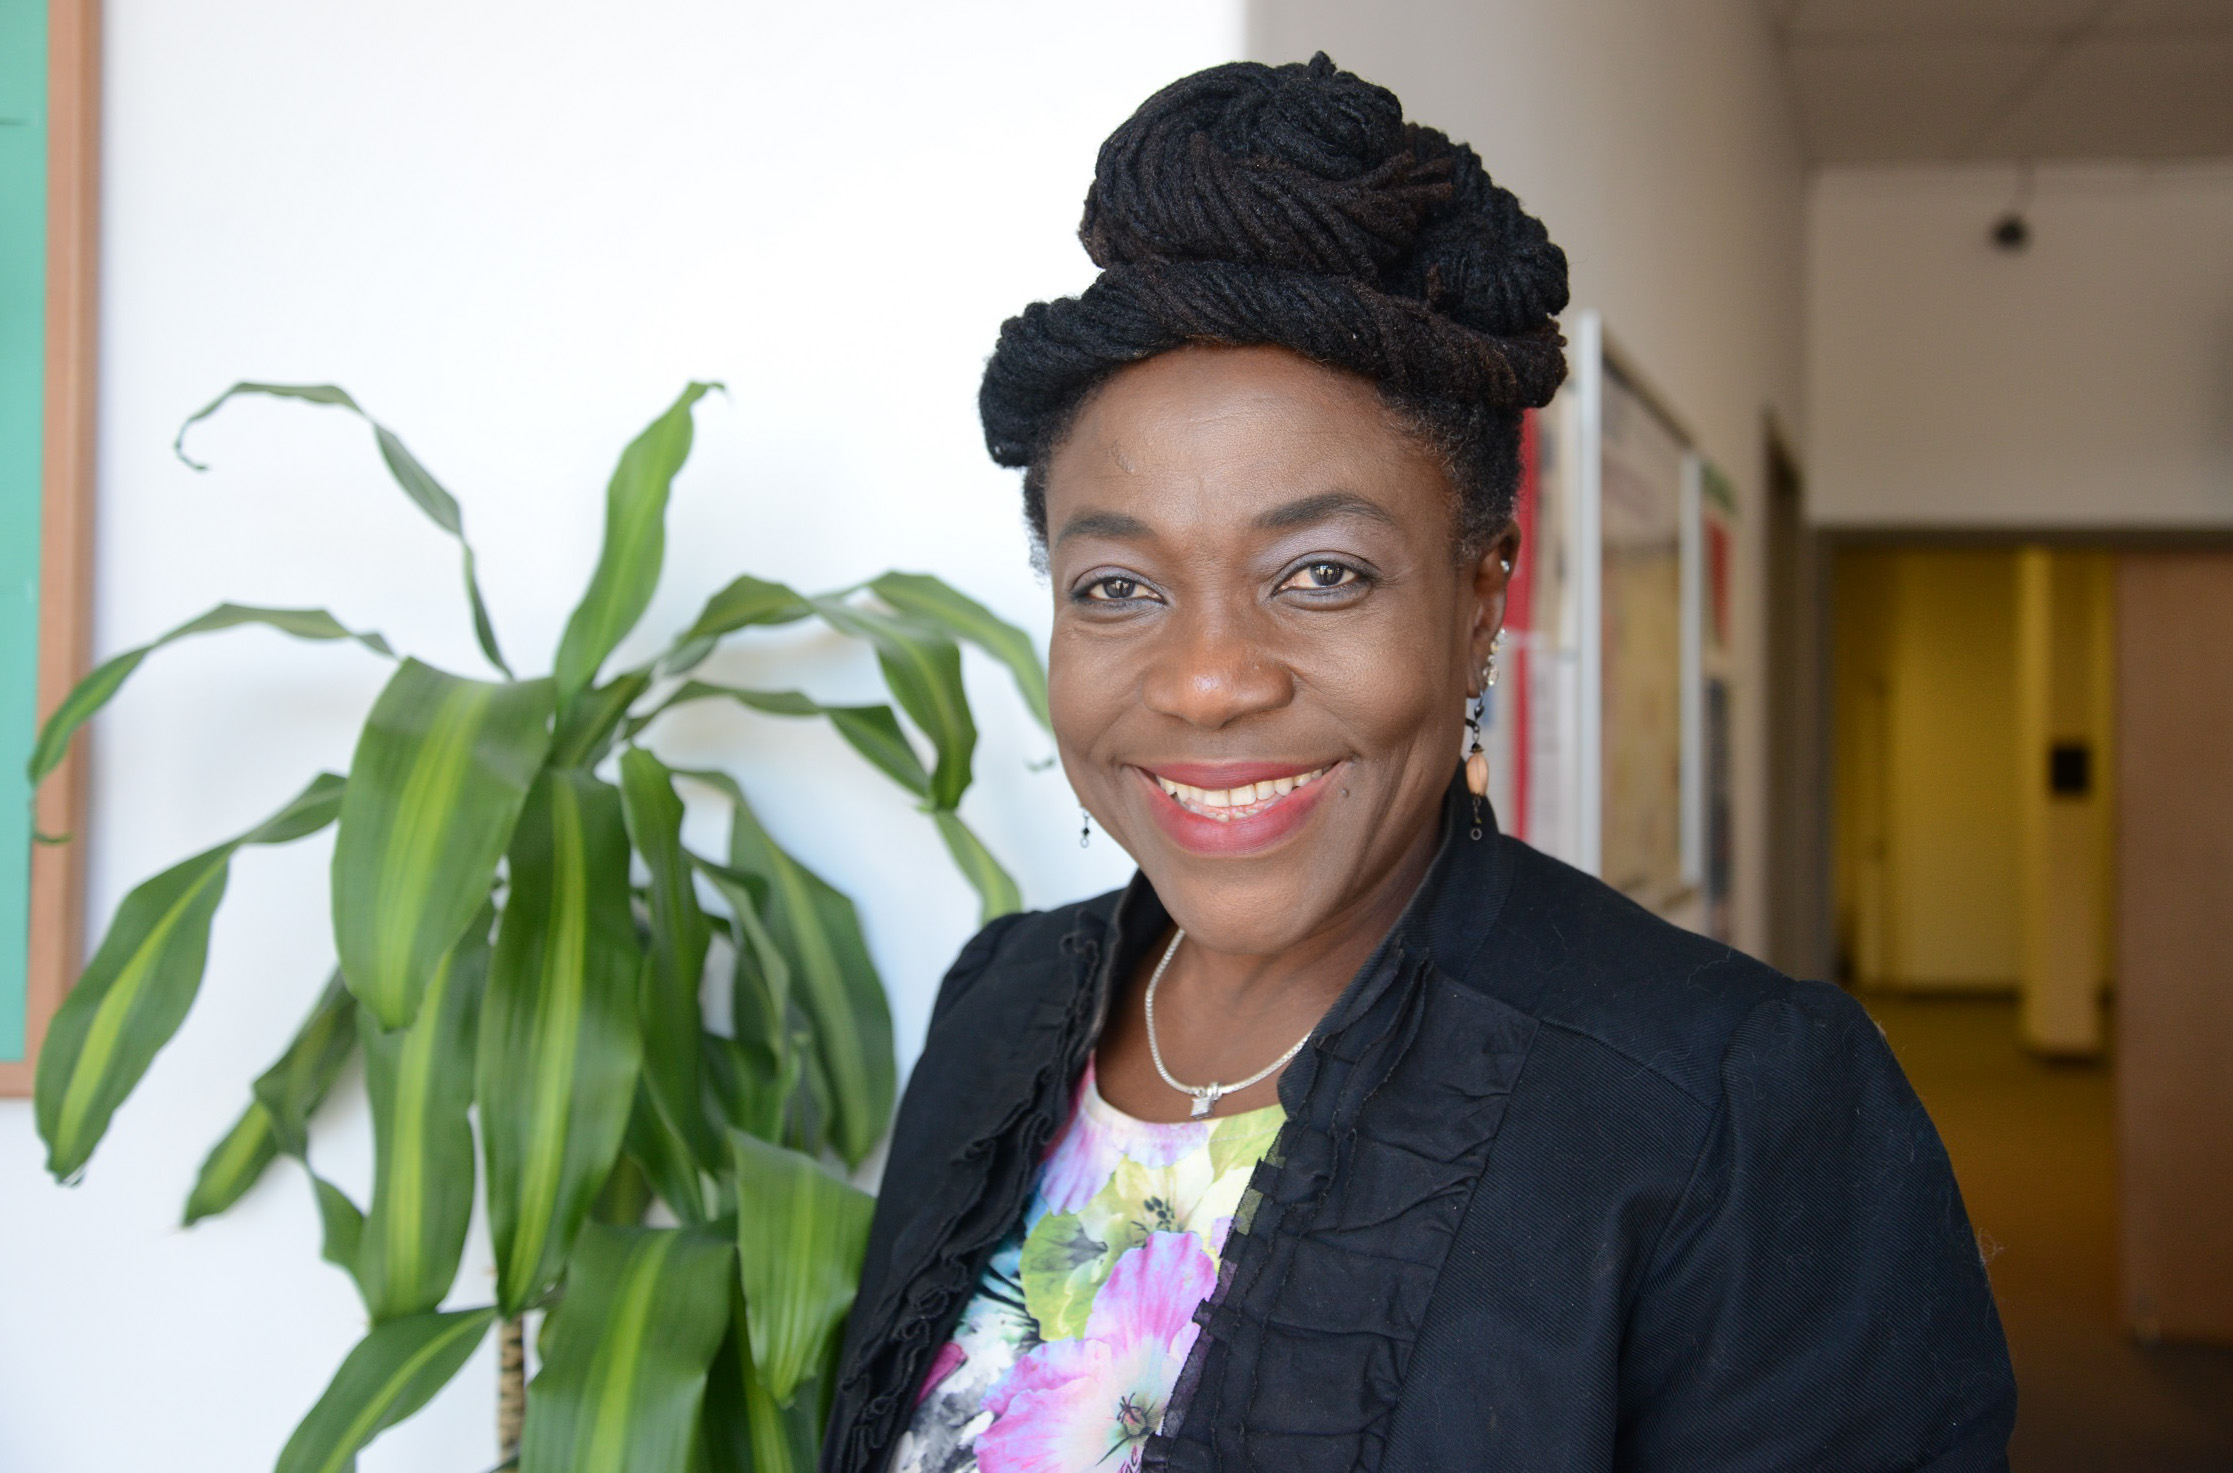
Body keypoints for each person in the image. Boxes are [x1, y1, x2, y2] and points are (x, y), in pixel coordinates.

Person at [823, 54, 2015, 1473]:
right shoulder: (998, 1005)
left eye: (1319, 573)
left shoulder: (1732, 1104)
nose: (1206, 681)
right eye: (1117, 588)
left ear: (1476, 600)